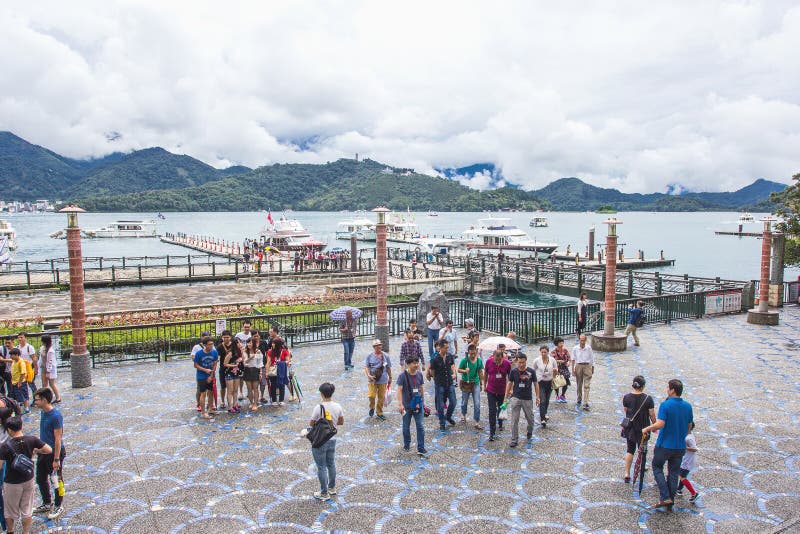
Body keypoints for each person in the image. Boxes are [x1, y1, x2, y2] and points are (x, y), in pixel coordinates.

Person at [642, 379, 694, 510]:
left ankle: (665, 496)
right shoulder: (688, 406)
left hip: (665, 444)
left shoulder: (666, 405)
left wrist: (647, 428)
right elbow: (689, 426)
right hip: (680, 446)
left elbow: (660, 424)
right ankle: (670, 499)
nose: (667, 390)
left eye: (668, 388)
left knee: (656, 466)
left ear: (672, 390)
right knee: (673, 473)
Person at [0, 416, 52, 534]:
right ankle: (26, 532)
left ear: (9, 430)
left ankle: (10, 531)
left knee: (10, 511)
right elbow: (49, 449)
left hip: (12, 482)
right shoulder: (32, 439)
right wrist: (36, 451)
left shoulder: (5, 446)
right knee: (27, 509)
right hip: (28, 479)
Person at [32, 387, 65, 520]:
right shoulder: (43, 413)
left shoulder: (56, 416)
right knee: (40, 478)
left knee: (56, 480)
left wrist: (56, 459)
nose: (35, 402)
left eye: (37, 400)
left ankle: (58, 504)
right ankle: (47, 502)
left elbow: (58, 439)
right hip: (43, 452)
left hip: (54, 453)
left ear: (45, 400)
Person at [309, 382, 344, 501]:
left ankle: (324, 492)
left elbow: (312, 423)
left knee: (321, 467)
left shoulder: (319, 407)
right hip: (332, 439)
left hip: (320, 440)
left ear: (322, 393)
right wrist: (331, 423)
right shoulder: (338, 406)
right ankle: (332, 488)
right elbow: (341, 422)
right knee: (331, 463)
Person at [621, 375, 656, 483]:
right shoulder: (648, 399)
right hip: (643, 428)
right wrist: (655, 425)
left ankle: (627, 473)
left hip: (630, 427)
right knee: (642, 449)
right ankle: (642, 466)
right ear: (643, 386)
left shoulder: (626, 397)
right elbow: (652, 414)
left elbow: (626, 410)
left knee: (630, 449)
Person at [503, 353, 539, 448]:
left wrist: (538, 397)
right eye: (519, 362)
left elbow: (535, 384)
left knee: (530, 419)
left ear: (526, 361)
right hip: (516, 398)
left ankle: (529, 430)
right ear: (517, 362)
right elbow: (509, 383)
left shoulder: (531, 371)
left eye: (523, 362)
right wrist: (505, 397)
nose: (521, 364)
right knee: (514, 420)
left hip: (527, 399)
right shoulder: (514, 371)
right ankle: (514, 439)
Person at [396, 356, 427, 456]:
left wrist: (423, 402)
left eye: (417, 362)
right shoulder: (402, 376)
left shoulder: (419, 374)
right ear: (408, 364)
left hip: (418, 405)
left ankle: (421, 447)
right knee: (406, 426)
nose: (416, 365)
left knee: (420, 426)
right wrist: (400, 404)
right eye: (414, 363)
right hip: (407, 406)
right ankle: (407, 443)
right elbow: (399, 390)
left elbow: (421, 387)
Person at [427, 339, 456, 431]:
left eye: (448, 347)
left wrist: (454, 373)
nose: (447, 349)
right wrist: (436, 379)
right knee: (440, 404)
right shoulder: (435, 358)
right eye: (446, 348)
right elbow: (432, 371)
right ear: (440, 347)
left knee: (453, 402)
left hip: (450, 382)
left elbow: (452, 365)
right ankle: (442, 422)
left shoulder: (449, 356)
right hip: (440, 383)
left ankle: (448, 416)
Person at [483, 348, 511, 441]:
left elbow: (509, 377)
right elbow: (486, 373)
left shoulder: (507, 364)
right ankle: (492, 432)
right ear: (493, 356)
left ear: (502, 358)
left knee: (500, 408)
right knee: (492, 410)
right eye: (496, 359)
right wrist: (484, 385)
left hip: (502, 390)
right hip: (491, 389)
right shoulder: (489, 362)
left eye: (499, 360)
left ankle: (500, 422)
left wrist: (510, 389)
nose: (497, 361)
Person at [457, 344, 483, 429]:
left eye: (474, 353)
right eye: (471, 353)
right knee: (464, 401)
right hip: (466, 383)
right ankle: (463, 414)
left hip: (475, 383)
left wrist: (482, 384)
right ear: (468, 352)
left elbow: (480, 372)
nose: (472, 355)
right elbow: (459, 369)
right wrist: (465, 370)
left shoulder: (479, 361)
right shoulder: (465, 360)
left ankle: (477, 421)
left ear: (476, 352)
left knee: (477, 402)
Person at [364, 340, 392, 420]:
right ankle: (372, 406)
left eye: (380, 344)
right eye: (377, 345)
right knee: (371, 395)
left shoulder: (386, 356)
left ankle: (379, 412)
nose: (379, 346)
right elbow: (366, 367)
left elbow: (388, 367)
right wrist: (369, 375)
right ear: (374, 347)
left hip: (383, 379)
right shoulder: (369, 356)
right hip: (372, 379)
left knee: (381, 397)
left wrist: (390, 377)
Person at [193, 337, 218, 419]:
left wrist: (211, 375)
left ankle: (210, 408)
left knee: (210, 392)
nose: (211, 346)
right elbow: (195, 365)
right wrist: (205, 370)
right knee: (203, 393)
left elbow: (214, 364)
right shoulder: (199, 354)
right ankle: (203, 412)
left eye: (212, 344)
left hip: (210, 375)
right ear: (204, 345)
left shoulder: (214, 352)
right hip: (201, 376)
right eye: (209, 344)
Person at [532, 345, 557, 428]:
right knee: (542, 399)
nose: (543, 354)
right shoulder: (537, 361)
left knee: (547, 399)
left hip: (549, 381)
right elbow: (534, 369)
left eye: (545, 352)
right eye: (542, 352)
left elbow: (556, 369)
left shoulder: (552, 360)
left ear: (548, 352)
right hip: (540, 382)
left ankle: (544, 412)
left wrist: (555, 372)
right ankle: (543, 418)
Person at [677, 422, 700, 503]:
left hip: (687, 460)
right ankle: (679, 489)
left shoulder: (688, 438)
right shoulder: (689, 435)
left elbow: (694, 449)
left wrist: (684, 447)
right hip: (687, 459)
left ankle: (694, 493)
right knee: (682, 474)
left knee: (682, 476)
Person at [571, 334, 594, 411]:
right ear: (579, 340)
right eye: (581, 340)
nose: (582, 341)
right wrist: (572, 369)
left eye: (583, 340)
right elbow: (573, 359)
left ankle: (585, 402)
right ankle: (579, 398)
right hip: (579, 366)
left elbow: (591, 358)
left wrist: (592, 367)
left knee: (587, 385)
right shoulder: (575, 348)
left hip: (587, 365)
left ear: (585, 340)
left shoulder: (588, 348)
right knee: (579, 384)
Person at [266, 337, 291, 405]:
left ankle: (281, 400)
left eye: (274, 343)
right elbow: (268, 362)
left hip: (281, 370)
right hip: (273, 370)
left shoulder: (284, 351)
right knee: (273, 385)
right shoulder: (270, 351)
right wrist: (267, 372)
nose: (272, 344)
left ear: (277, 344)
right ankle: (274, 400)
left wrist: (282, 363)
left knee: (281, 385)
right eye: (272, 343)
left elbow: (288, 360)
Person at [223, 336, 244, 413]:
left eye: (240, 342)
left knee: (235, 390)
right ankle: (229, 406)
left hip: (237, 372)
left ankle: (235, 404)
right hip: (229, 373)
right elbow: (225, 364)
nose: (240, 344)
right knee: (230, 390)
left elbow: (243, 360)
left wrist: (242, 351)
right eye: (238, 342)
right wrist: (233, 366)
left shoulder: (240, 352)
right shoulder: (230, 352)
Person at [38, 336, 61, 405]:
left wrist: (48, 372)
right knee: (44, 384)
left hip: (50, 369)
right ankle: (45, 398)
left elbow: (50, 361)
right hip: (43, 367)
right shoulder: (42, 348)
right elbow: (41, 358)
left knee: (52, 384)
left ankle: (58, 397)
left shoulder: (50, 351)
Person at [242, 337, 263, 412]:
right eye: (248, 343)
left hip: (255, 370)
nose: (249, 344)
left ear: (254, 343)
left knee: (255, 388)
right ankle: (251, 402)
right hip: (247, 370)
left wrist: (260, 372)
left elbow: (260, 362)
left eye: (250, 343)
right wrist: (252, 357)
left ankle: (255, 403)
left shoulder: (258, 351)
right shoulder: (245, 351)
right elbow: (244, 362)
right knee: (249, 388)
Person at [251, 330, 271, 403]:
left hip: (263, 364)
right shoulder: (250, 343)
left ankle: (261, 396)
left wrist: (267, 363)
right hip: (253, 365)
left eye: (257, 336)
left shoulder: (263, 342)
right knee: (255, 382)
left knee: (263, 382)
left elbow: (267, 353)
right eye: (254, 336)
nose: (256, 337)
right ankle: (254, 397)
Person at [235, 322, 253, 401]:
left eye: (248, 327)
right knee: (241, 376)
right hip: (241, 356)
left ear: (250, 327)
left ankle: (250, 392)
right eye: (245, 327)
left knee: (250, 374)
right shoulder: (238, 335)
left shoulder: (251, 335)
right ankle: (241, 392)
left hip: (249, 356)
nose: (246, 329)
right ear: (243, 327)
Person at [16, 334, 37, 399]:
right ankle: (24, 399)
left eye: (21, 337)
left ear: (25, 338)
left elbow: (34, 358)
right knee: (22, 384)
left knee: (31, 384)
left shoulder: (29, 347)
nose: (20, 339)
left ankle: (36, 398)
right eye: (19, 338)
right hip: (21, 369)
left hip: (29, 368)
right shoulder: (17, 347)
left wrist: (36, 368)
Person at [9, 349, 29, 414]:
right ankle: (18, 408)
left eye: (12, 355)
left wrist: (20, 382)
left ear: (17, 355)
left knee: (23, 395)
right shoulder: (14, 361)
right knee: (16, 396)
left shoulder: (21, 362)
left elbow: (23, 373)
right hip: (14, 382)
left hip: (20, 382)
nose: (11, 356)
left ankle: (26, 408)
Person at [216, 331, 232, 409]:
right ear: (222, 338)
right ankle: (222, 401)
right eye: (224, 337)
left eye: (227, 337)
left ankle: (231, 401)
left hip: (232, 369)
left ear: (230, 337)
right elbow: (218, 356)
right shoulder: (219, 347)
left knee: (232, 387)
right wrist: (217, 360)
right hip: (223, 369)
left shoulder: (234, 345)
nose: (226, 339)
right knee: (223, 386)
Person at [551, 338, 571, 403]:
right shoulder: (554, 351)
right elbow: (551, 360)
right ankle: (557, 396)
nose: (561, 344)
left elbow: (569, 358)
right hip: (557, 368)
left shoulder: (565, 350)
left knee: (566, 382)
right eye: (560, 343)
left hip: (564, 368)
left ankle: (563, 395)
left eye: (562, 343)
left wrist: (568, 363)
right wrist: (558, 361)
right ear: (557, 344)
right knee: (557, 382)